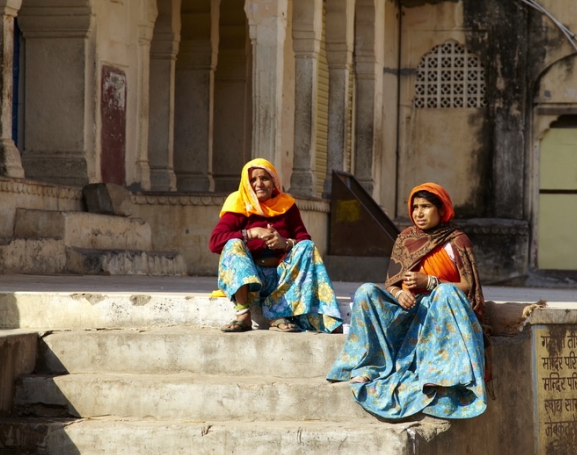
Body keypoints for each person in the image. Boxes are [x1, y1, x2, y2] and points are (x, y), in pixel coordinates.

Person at [327, 183, 490, 420]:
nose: (419, 213)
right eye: (415, 207)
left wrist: (431, 283)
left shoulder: (456, 240)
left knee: (446, 293)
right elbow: (391, 283)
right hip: (408, 311)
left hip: (441, 311)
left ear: (441, 210)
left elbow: (468, 287)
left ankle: (441, 375)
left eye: (426, 207)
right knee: (366, 292)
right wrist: (398, 294)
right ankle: (370, 364)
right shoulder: (406, 238)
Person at [209, 158, 343, 333]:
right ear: (246, 184)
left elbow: (303, 238)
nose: (259, 184)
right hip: (250, 282)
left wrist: (285, 243)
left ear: (274, 182)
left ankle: (278, 314)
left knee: (307, 247)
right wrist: (251, 233)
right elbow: (215, 242)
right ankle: (242, 314)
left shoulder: (286, 206)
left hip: (281, 280)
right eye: (253, 180)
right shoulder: (239, 204)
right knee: (233, 244)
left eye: (264, 178)